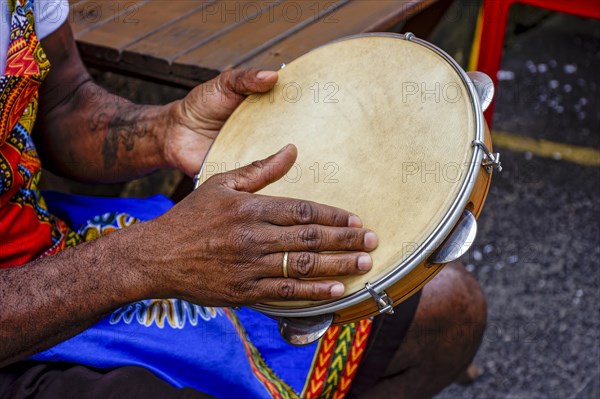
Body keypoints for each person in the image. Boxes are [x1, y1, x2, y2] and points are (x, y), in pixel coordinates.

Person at [0, 1, 487, 398]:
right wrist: (142, 259)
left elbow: (63, 101)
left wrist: (165, 131)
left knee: (446, 313)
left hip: (49, 243)